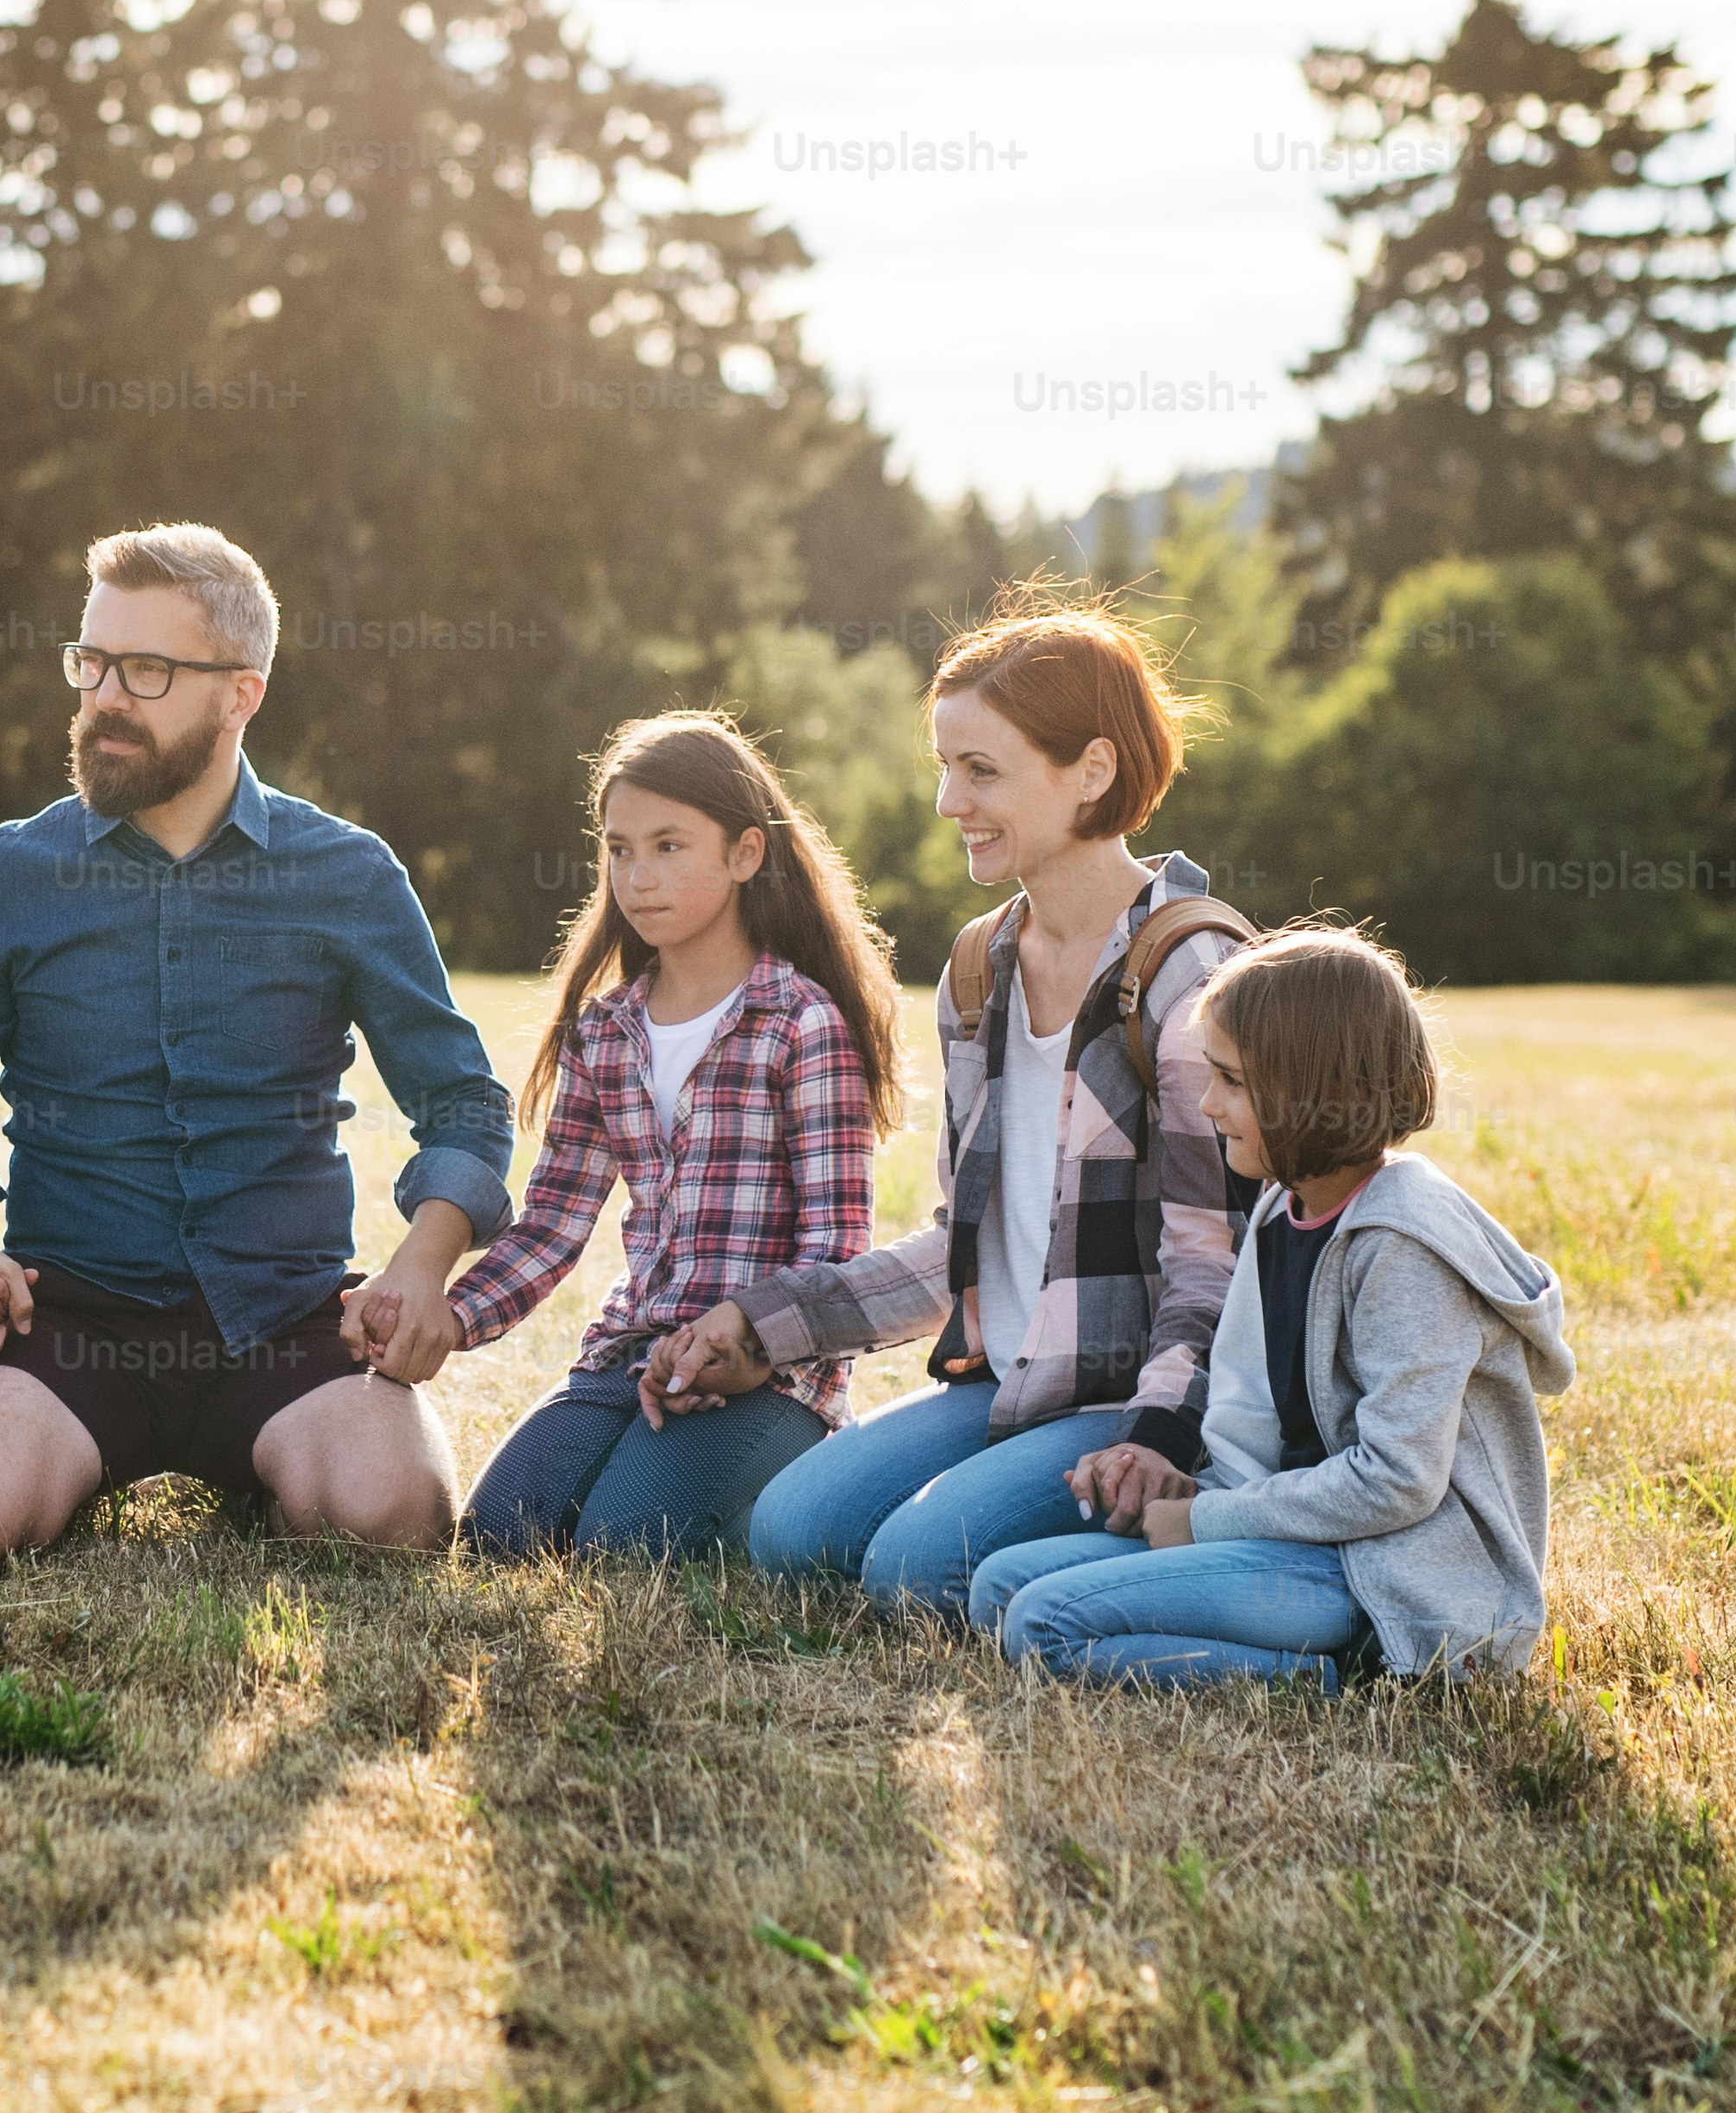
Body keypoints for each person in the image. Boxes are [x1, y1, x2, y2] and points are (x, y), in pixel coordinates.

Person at [0, 523, 518, 1564]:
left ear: (240, 695)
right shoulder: (2, 875)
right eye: (91, 662)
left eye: (147, 670)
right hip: (66, 1322)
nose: (104, 698)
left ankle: (276, 1461)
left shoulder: (349, 874)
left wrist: (422, 1261)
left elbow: (465, 1105)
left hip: (287, 1321)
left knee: (391, 1517)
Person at [649, 597, 1252, 1620]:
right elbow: (960, 1247)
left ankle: (1178, 1531)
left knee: (910, 1569)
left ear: (1092, 770)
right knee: (792, 1532)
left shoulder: (1191, 970)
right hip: (1003, 1384)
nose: (946, 801)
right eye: (944, 766)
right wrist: (761, 1324)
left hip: (1136, 1402)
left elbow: (1214, 1263)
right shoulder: (979, 967)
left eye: (981, 771)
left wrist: (1156, 1436)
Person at [957, 924, 1571, 1685]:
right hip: (1295, 1543)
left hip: (1391, 1580)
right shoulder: (1283, 1208)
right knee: (999, 1589)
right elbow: (1249, 1419)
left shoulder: (1402, 1245)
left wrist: (1204, 1523)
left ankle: (1353, 1677)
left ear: (1314, 1093)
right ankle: (1294, 1653)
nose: (1207, 1105)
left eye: (1232, 1081)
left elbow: (1399, 1480)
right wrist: (1195, 1492)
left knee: (1044, 1626)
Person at [400, 711, 900, 1560]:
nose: (638, 877)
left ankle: (798, 1488)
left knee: (622, 1548)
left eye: (669, 846)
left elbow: (836, 1247)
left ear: (745, 854)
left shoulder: (801, 1023)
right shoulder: (605, 1031)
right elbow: (553, 1225)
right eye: (620, 849)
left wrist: (748, 1340)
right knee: (498, 1539)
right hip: (631, 1355)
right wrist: (450, 1319)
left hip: (769, 1373)